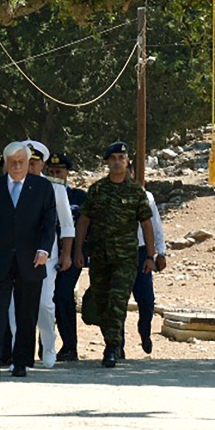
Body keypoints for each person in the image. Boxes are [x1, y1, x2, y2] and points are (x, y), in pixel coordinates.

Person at [0, 141, 58, 378]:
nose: (18, 166)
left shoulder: (42, 188)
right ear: (6, 163)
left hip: (31, 260)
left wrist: (44, 249)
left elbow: (49, 222)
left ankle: (21, 361)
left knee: (26, 312)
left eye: (22, 162)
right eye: (13, 162)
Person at [74, 141, 155, 368]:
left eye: (122, 158)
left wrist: (151, 255)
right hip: (100, 257)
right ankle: (113, 340)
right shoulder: (97, 190)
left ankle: (112, 347)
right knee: (101, 302)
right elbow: (84, 221)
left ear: (128, 161)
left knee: (117, 301)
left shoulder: (136, 191)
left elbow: (147, 224)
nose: (117, 162)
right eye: (113, 159)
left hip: (126, 258)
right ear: (107, 163)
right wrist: (79, 250)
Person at [7, 139, 74, 369]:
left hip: (48, 256)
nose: (31, 166)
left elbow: (66, 225)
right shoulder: (12, 185)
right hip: (17, 255)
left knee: (44, 304)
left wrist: (67, 254)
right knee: (15, 306)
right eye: (28, 162)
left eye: (35, 162)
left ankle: (48, 344)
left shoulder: (55, 188)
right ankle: (20, 352)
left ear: (42, 164)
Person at [48, 152, 86, 362]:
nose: (55, 175)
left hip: (71, 255)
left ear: (67, 174)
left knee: (63, 295)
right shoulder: (42, 194)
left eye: (59, 172)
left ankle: (70, 345)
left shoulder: (79, 197)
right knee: (47, 299)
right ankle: (46, 344)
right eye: (51, 172)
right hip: (48, 254)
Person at [122, 185, 167, 357]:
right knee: (118, 301)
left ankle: (145, 330)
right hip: (118, 251)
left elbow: (155, 225)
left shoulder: (146, 196)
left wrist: (159, 252)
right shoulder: (106, 192)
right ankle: (117, 346)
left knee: (147, 300)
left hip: (142, 252)